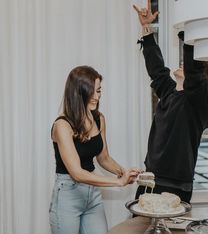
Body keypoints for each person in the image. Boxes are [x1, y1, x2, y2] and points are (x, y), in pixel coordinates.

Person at [133, 0, 208, 203]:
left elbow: (194, 72)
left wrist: (190, 35)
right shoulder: (170, 92)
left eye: (187, 66)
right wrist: (146, 28)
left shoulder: (198, 104)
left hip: (175, 185)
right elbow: (156, 70)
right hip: (151, 179)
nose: (182, 64)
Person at [49, 65, 142, 234]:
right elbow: (76, 173)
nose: (96, 96)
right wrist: (118, 182)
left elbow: (103, 157)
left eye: (99, 91)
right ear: (78, 93)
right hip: (68, 195)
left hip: (92, 194)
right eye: (91, 91)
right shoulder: (62, 126)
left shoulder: (99, 119)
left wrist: (124, 172)